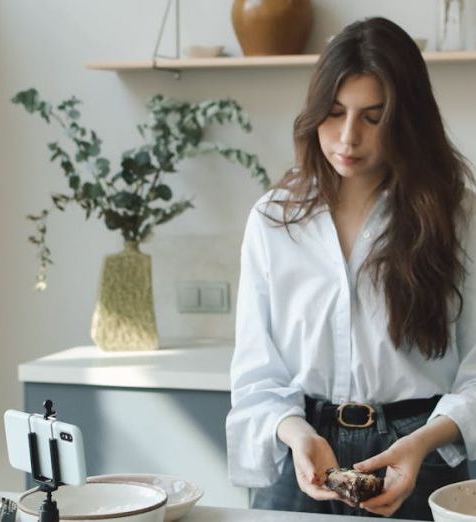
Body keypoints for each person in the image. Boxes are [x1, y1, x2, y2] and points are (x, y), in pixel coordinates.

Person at [226, 16, 476, 521]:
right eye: (334, 113)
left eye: (372, 117)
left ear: (405, 120)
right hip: (301, 458)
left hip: (421, 458)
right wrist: (296, 435)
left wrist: (426, 440)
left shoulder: (459, 218)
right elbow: (256, 375)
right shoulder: (274, 220)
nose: (347, 137)